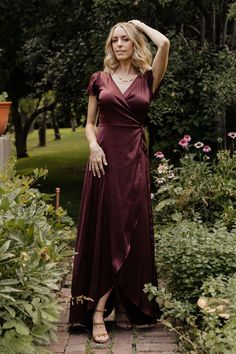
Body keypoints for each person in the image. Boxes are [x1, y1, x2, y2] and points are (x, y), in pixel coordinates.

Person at [69, 19, 170, 344]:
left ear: (135, 42)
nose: (120, 44)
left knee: (131, 227)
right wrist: (93, 145)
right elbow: (88, 123)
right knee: (106, 229)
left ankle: (127, 303)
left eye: (125, 38)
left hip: (133, 159)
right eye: (115, 40)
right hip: (104, 160)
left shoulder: (147, 78)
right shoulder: (100, 79)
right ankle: (98, 311)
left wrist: (138, 24)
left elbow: (165, 44)